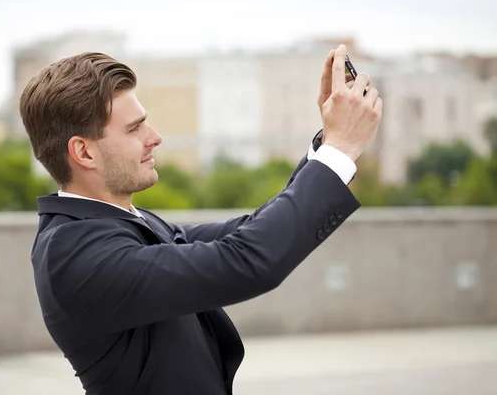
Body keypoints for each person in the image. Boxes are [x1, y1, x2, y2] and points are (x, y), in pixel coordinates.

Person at [20, 44, 382, 395]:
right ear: (83, 151)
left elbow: (249, 232)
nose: (154, 137)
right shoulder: (75, 253)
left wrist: (327, 144)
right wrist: (340, 151)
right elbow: (247, 260)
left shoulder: (123, 223)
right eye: (134, 129)